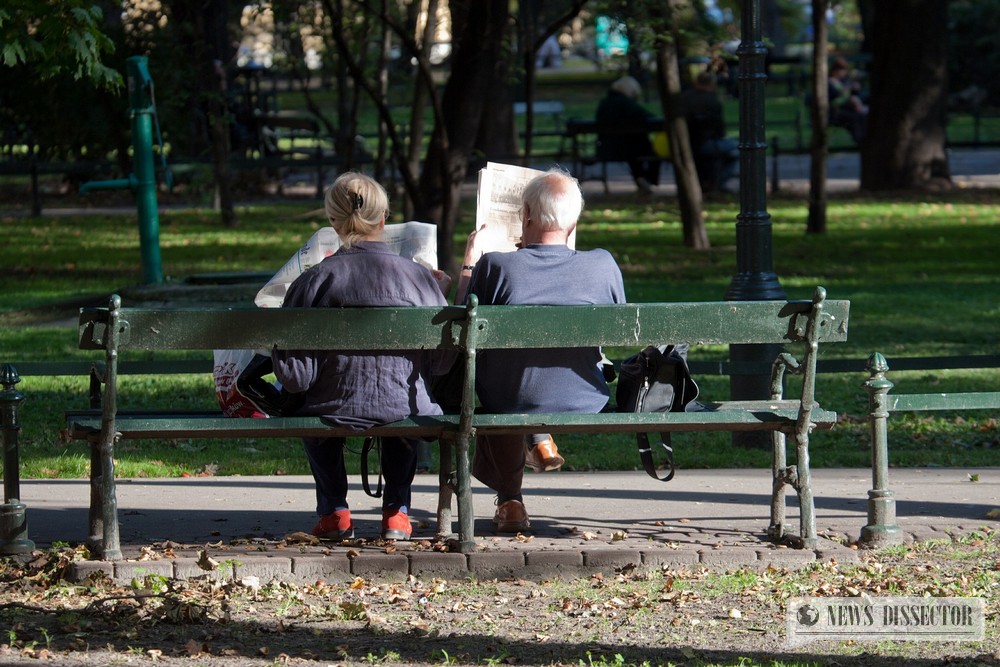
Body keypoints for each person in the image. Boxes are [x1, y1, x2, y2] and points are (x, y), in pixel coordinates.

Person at [272, 172, 453, 542]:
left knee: (311, 405)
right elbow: (441, 363)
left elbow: (296, 379)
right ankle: (397, 514)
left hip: (331, 405)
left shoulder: (314, 280)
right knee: (404, 400)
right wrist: (439, 292)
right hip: (405, 405)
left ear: (332, 223)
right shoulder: (420, 280)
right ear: (384, 219)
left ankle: (334, 511)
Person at [456, 169, 626, 533]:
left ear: (527, 215)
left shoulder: (497, 265)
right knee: (517, 382)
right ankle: (538, 441)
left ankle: (511, 499)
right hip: (582, 396)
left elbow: (461, 329)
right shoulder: (602, 264)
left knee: (503, 391)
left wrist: (470, 262)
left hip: (511, 396)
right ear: (574, 220)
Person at [595, 76, 661, 193]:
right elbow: (649, 118)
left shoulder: (604, 103)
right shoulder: (627, 104)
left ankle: (641, 178)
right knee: (651, 150)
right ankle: (647, 179)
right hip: (629, 149)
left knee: (635, 146)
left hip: (606, 148)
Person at [680, 71, 739, 193]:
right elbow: (720, 130)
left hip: (685, 143)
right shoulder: (713, 101)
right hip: (705, 143)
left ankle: (710, 182)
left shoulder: (684, 98)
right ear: (712, 84)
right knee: (738, 149)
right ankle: (717, 183)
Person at [828, 57, 868, 145]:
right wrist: (847, 97)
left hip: (848, 109)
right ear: (835, 70)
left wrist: (855, 89)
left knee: (862, 115)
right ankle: (860, 141)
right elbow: (833, 102)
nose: (843, 73)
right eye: (841, 70)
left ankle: (866, 139)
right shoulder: (829, 83)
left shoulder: (844, 81)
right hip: (835, 112)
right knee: (856, 117)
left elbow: (853, 94)